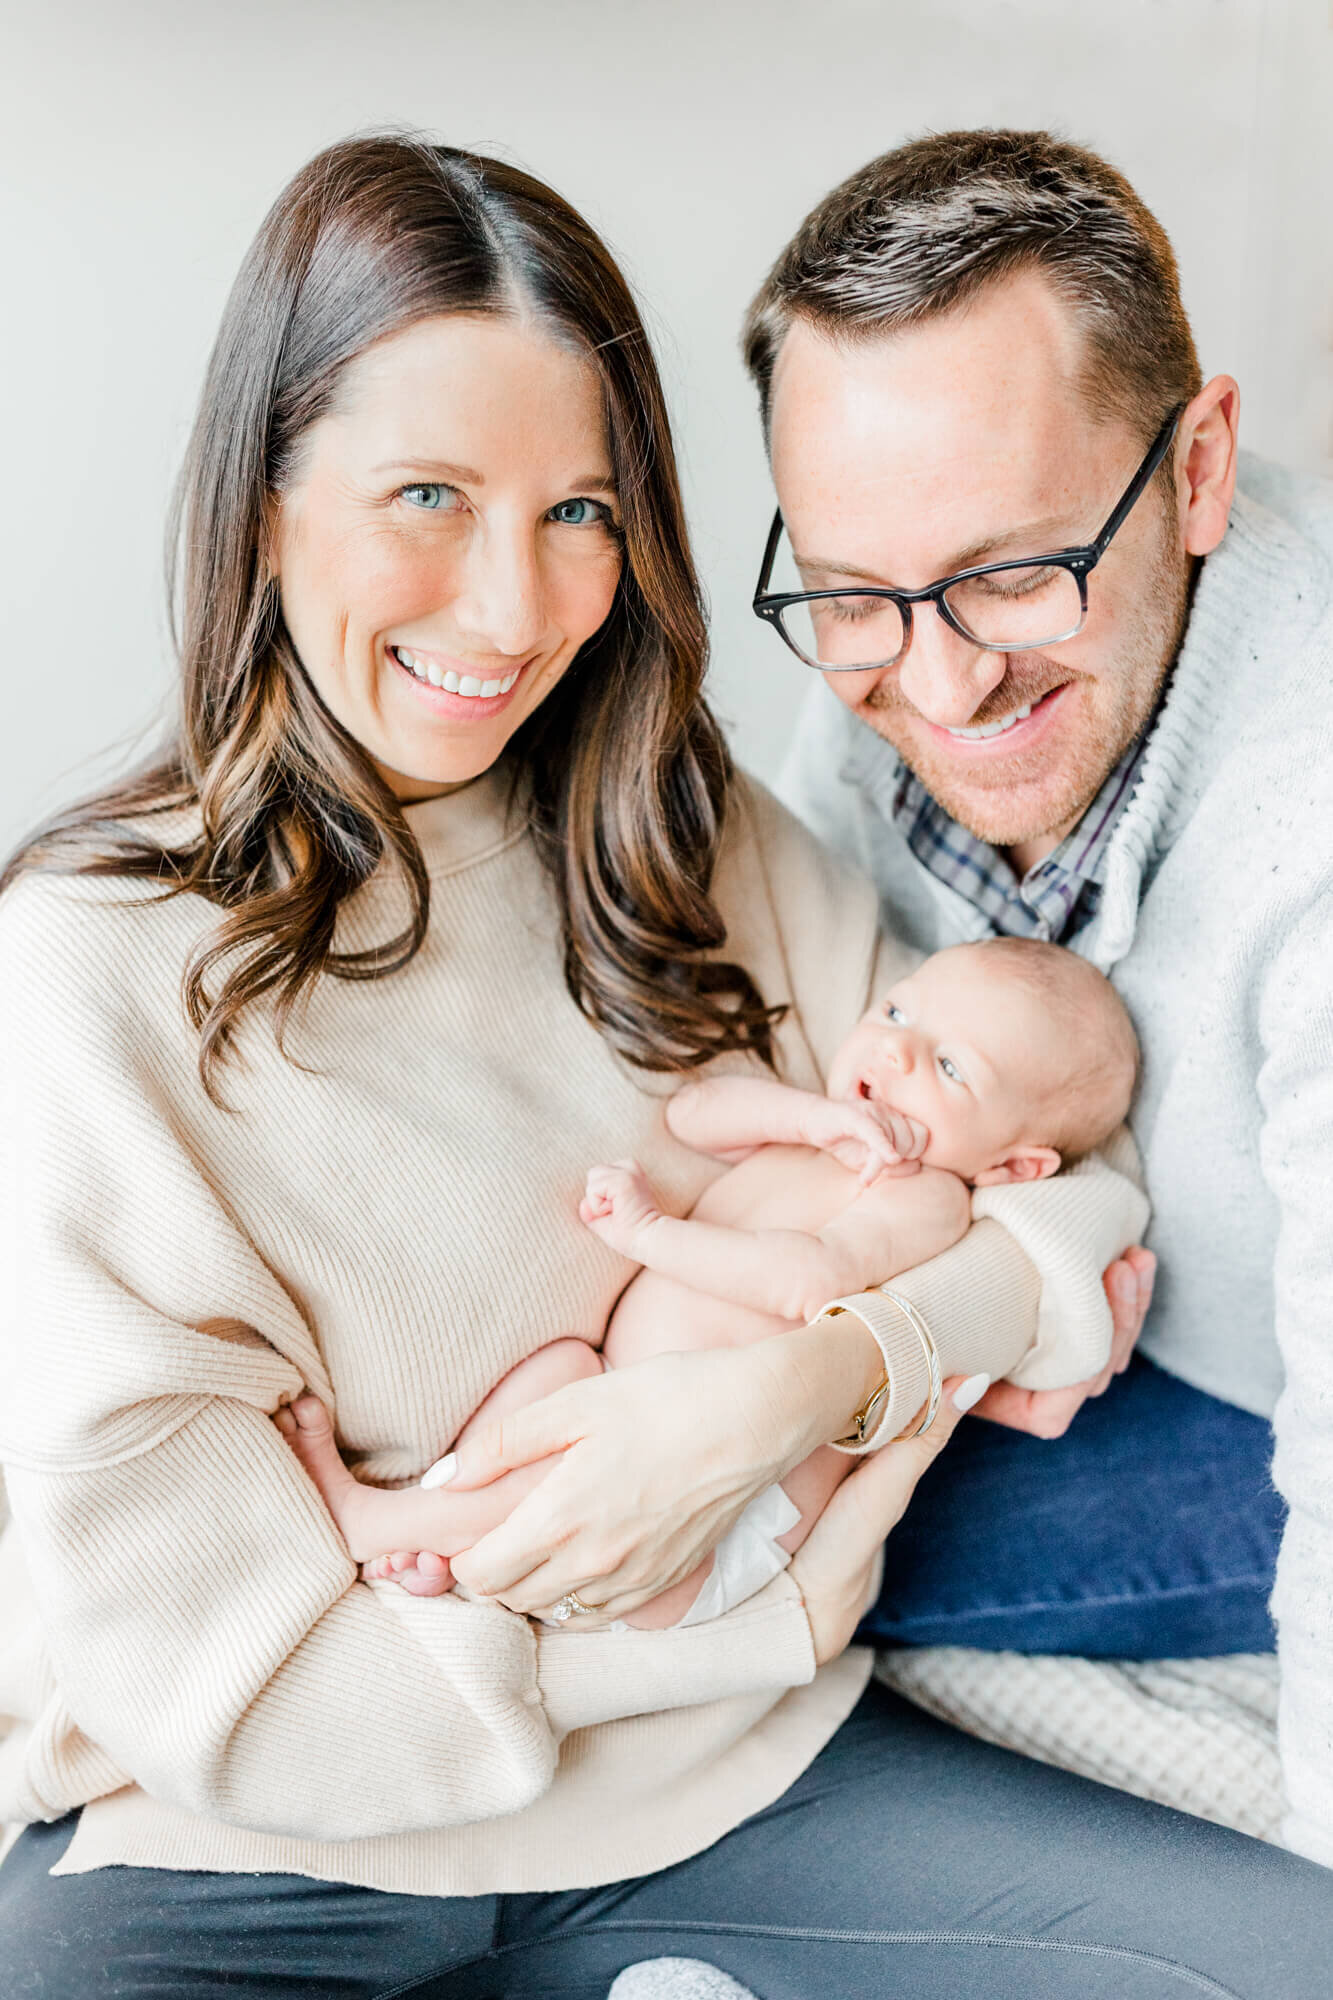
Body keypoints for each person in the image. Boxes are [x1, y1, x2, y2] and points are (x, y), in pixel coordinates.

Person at [2, 132, 1328, 2000]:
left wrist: (796, 1387)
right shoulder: (88, 965)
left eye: (580, 512)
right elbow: (220, 1666)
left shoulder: (674, 831)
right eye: (427, 496)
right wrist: (713, 1609)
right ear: (266, 504)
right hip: (260, 1844)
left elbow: (1063, 1208)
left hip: (753, 1782)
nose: (513, 608)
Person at [748, 128, 1332, 1861]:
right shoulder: (907, 655)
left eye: (1014, 574)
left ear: (1198, 466)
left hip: (1254, 1405)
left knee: (742, 1550)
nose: (931, 680)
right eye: (855, 596)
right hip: (1099, 1345)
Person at [277, 938, 1137, 1633]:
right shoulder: (821, 1128)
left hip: (723, 1516)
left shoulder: (928, 1199)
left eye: (951, 1068)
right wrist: (810, 1117)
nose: (895, 1049)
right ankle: (452, 1534)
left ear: (1011, 1164)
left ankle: (373, 1521)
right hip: (624, 1404)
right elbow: (691, 1115)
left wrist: (653, 1235)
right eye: (898, 1010)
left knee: (573, 1464)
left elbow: (810, 1282)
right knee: (556, 1373)